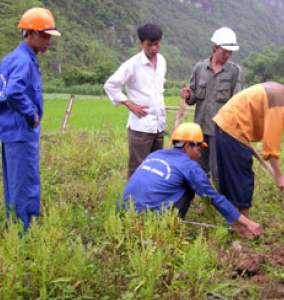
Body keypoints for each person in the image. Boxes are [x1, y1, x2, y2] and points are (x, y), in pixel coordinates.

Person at [212, 69, 284, 237]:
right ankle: (242, 228)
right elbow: (271, 147)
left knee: (234, 177)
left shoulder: (276, 89)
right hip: (233, 129)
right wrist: (279, 176)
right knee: (242, 180)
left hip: (225, 124)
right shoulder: (280, 102)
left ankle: (236, 222)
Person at [0, 8, 61, 233]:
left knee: (15, 184)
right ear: (31, 34)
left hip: (11, 130)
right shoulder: (24, 62)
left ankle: (16, 228)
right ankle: (24, 235)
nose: (49, 41)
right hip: (21, 132)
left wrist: (5, 114)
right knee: (25, 184)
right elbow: (13, 92)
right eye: (45, 35)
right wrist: (31, 115)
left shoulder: (12, 57)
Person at [121, 122, 262, 238]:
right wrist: (246, 222)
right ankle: (170, 228)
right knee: (189, 188)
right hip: (150, 222)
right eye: (199, 148)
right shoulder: (190, 167)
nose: (200, 153)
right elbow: (214, 198)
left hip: (124, 215)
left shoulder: (156, 154)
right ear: (187, 146)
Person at [180, 27, 243, 190]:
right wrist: (188, 95)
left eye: (231, 52)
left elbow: (238, 103)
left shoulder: (235, 72)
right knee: (200, 168)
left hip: (220, 131)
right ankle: (206, 199)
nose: (228, 55)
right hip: (199, 130)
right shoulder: (200, 68)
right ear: (215, 47)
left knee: (218, 170)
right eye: (225, 51)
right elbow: (193, 99)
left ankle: (223, 201)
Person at [104, 24, 167, 179]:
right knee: (138, 167)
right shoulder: (132, 64)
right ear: (141, 43)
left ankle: (152, 200)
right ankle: (134, 201)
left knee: (156, 166)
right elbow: (110, 85)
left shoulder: (162, 61)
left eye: (157, 44)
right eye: (149, 45)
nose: (154, 48)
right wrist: (128, 103)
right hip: (141, 126)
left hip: (159, 125)